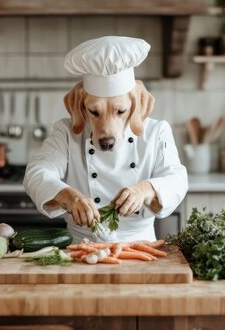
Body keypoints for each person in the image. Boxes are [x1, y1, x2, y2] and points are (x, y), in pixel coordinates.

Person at [23, 36, 187, 243]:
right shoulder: (66, 132)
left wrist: (144, 189)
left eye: (120, 111)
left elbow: (177, 179)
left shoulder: (157, 132)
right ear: (81, 106)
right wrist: (69, 197)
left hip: (140, 247)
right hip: (80, 248)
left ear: (136, 106)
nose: (106, 132)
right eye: (95, 112)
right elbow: (36, 173)